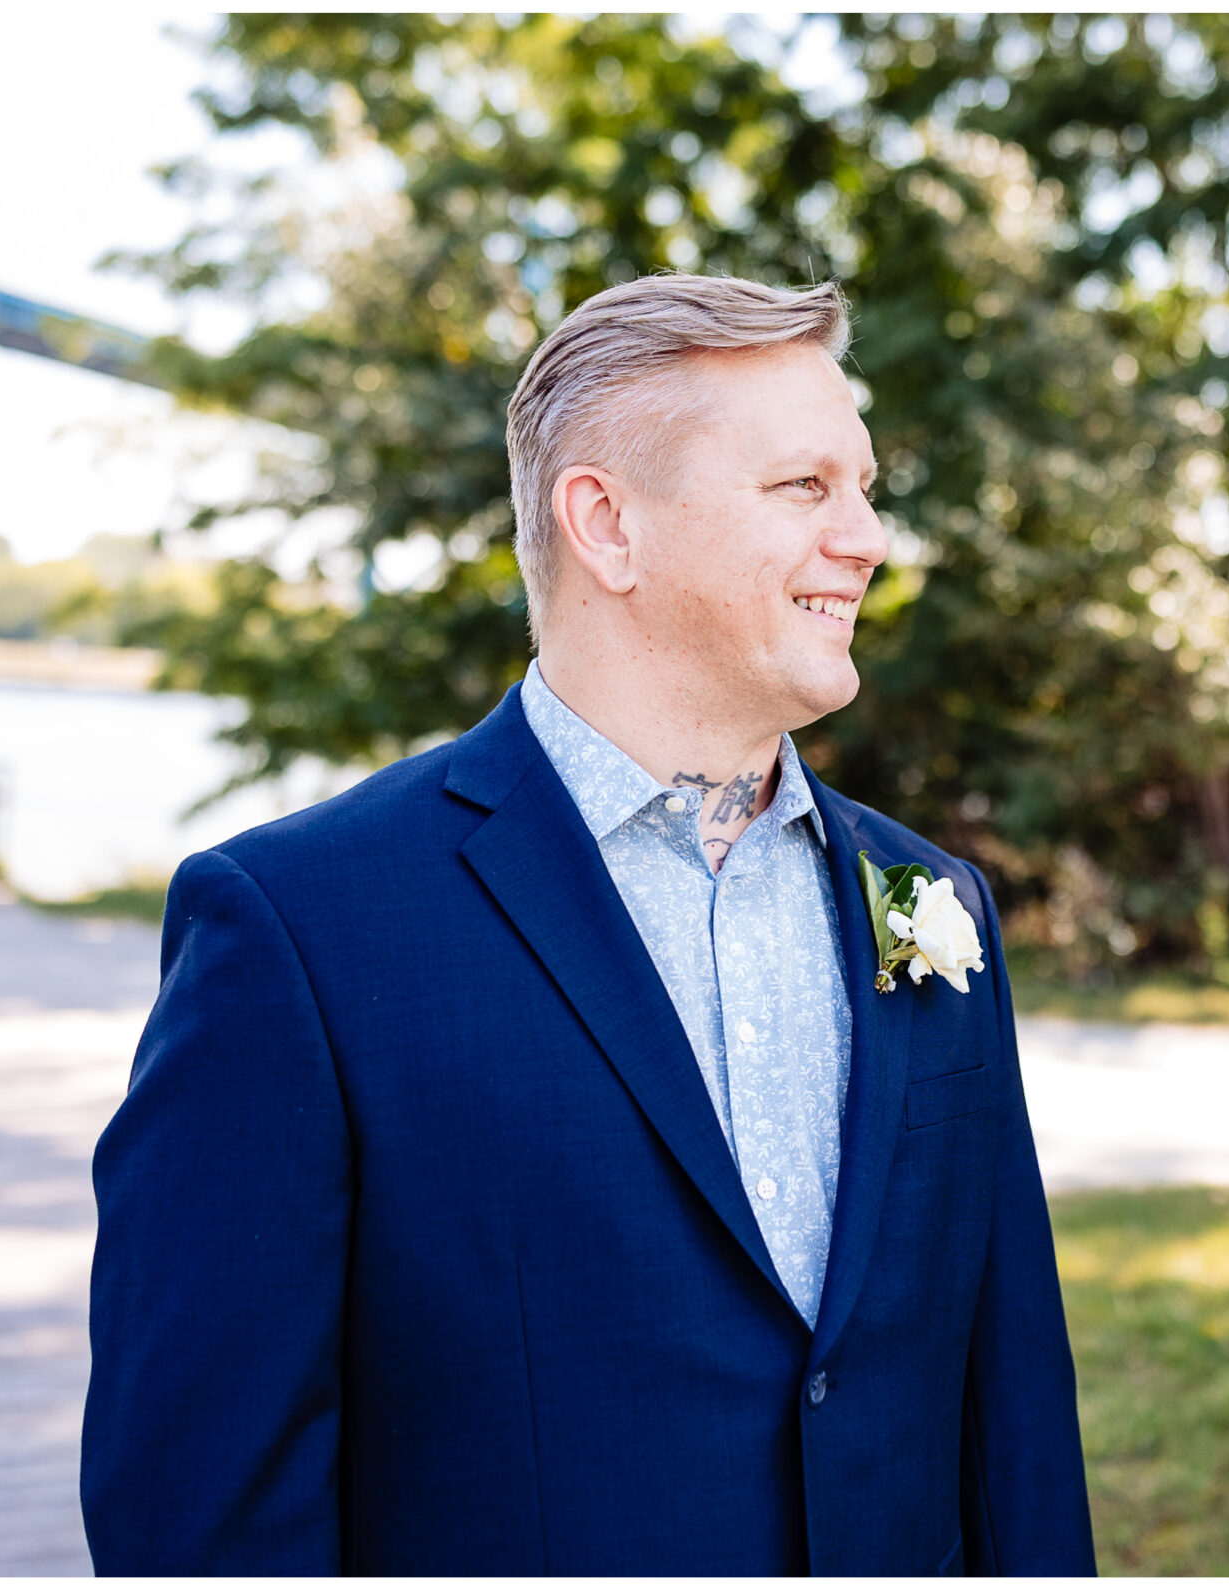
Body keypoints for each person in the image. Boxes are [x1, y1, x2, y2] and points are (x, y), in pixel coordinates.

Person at [81, 274, 1098, 1575]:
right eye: (805, 487)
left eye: (865, 485)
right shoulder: (298, 930)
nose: (870, 538)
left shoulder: (928, 902)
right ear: (607, 524)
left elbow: (1010, 1410)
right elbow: (202, 1518)